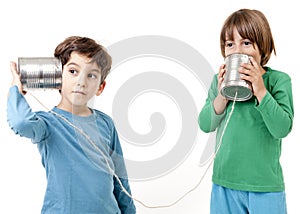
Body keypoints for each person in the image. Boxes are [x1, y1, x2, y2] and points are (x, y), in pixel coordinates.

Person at [7, 36, 136, 214]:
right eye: (73, 71)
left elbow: (121, 179)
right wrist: (16, 90)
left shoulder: (106, 123)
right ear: (57, 76)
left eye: (91, 75)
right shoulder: (47, 124)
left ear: (100, 87)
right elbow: (20, 122)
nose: (81, 81)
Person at [198, 9, 294, 214]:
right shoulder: (219, 81)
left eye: (246, 43)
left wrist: (260, 90)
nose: (237, 51)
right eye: (230, 44)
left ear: (263, 46)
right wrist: (222, 95)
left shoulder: (278, 81)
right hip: (225, 183)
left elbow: (282, 128)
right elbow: (205, 124)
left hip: (264, 186)